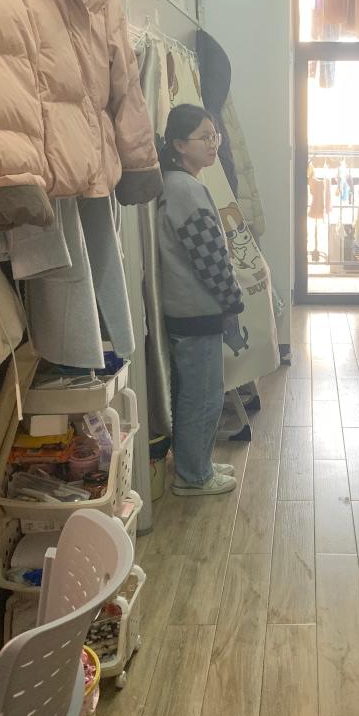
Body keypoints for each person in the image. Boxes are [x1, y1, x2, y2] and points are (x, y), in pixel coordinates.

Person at [157, 104, 244, 496]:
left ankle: (197, 464)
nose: (213, 144)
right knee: (203, 398)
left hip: (185, 308)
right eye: (204, 137)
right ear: (179, 144)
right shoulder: (186, 190)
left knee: (195, 393)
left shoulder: (176, 184)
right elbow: (210, 259)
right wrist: (232, 301)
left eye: (215, 136)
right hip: (196, 310)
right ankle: (193, 477)